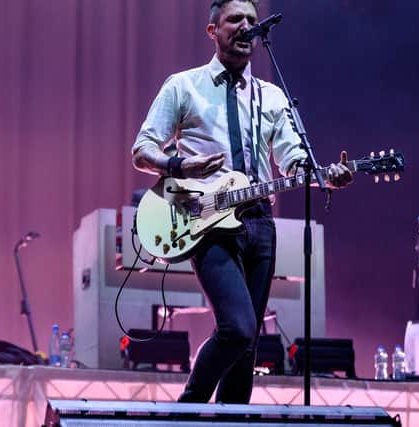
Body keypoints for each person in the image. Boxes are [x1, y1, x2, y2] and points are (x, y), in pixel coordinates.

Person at [132, 0, 352, 403]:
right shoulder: (183, 85)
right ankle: (190, 406)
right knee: (237, 327)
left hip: (259, 220)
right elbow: (142, 150)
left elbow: (292, 160)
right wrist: (180, 165)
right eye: (236, 19)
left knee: (247, 346)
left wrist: (324, 177)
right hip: (206, 218)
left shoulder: (271, 96)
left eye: (252, 20)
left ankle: (231, 417)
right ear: (212, 30)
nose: (247, 26)